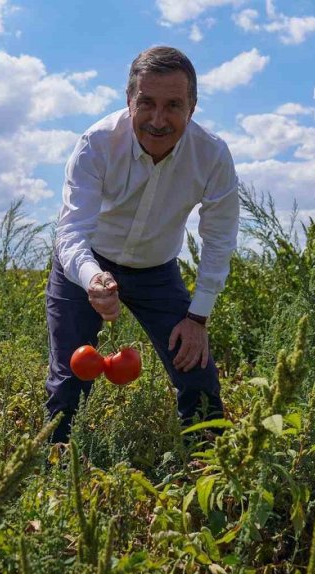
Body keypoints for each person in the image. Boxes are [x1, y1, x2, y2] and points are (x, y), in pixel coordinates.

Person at [45, 46, 239, 444]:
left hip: (157, 270)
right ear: (129, 99)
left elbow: (219, 238)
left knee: (196, 372)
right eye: (146, 102)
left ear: (193, 107)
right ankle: (57, 471)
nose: (158, 119)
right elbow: (71, 231)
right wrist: (93, 278)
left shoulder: (212, 156)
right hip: (87, 264)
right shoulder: (96, 143)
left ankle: (214, 468)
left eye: (173, 105)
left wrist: (198, 318)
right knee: (70, 378)